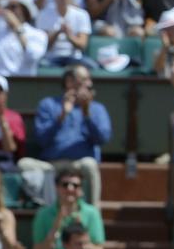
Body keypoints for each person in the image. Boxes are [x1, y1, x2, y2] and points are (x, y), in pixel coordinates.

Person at [18, 65, 111, 207]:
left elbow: (103, 138)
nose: (89, 84)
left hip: (79, 164)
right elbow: (41, 139)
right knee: (24, 164)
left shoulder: (96, 108)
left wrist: (87, 115)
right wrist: (61, 116)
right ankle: (46, 211)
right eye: (84, 79)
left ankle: (93, 215)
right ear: (69, 82)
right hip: (51, 165)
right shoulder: (48, 105)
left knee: (90, 165)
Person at [31, 166, 106, 249]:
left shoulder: (92, 213)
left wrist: (82, 236)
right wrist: (55, 229)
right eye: (65, 184)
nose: (70, 188)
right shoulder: (43, 214)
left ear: (81, 190)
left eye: (75, 185)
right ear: (57, 187)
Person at [36, 0, 93, 68]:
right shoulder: (43, 15)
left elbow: (82, 45)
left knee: (91, 66)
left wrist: (69, 35)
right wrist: (58, 32)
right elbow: (43, 46)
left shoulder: (82, 14)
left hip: (74, 58)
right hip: (51, 59)